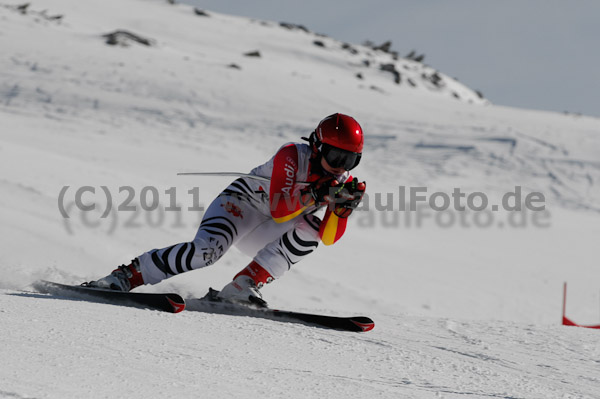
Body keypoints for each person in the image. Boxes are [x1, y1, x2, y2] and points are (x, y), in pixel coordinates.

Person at [90, 113, 366, 307]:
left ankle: (242, 286)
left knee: (311, 231)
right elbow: (280, 208)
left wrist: (341, 210)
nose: (342, 166)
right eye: (336, 156)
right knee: (206, 253)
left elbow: (328, 238)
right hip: (239, 207)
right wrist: (316, 193)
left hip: (267, 229)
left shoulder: (341, 181)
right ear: (317, 146)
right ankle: (126, 276)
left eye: (351, 160)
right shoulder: (293, 155)